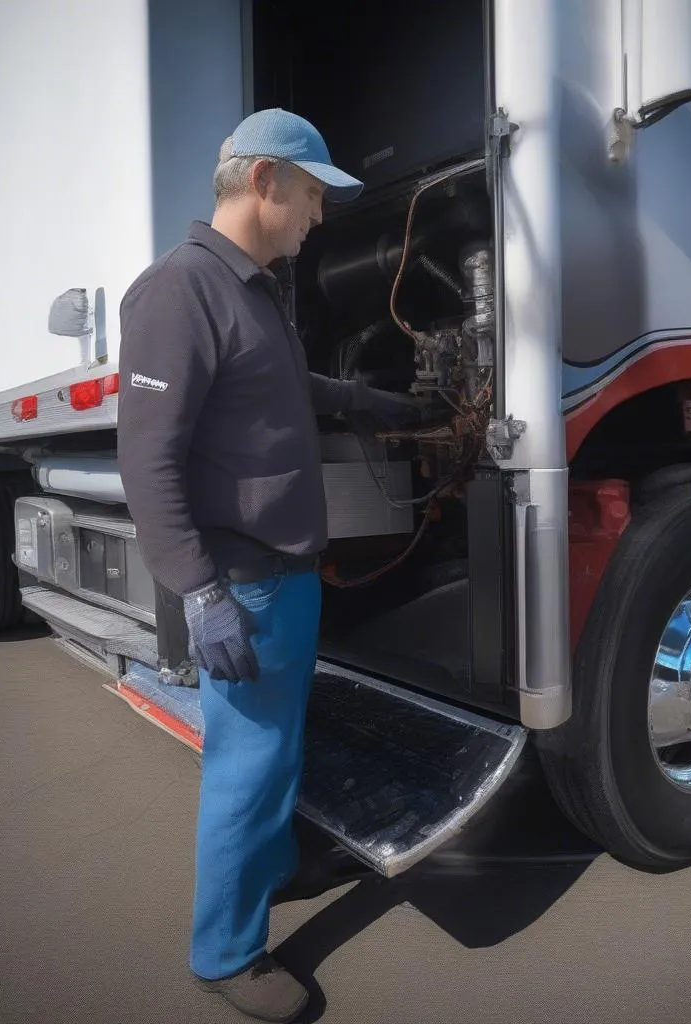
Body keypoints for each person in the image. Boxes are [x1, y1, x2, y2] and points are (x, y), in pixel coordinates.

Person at [116, 108, 421, 1023]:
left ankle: (276, 866)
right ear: (266, 183)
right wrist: (199, 591)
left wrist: (377, 402)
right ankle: (225, 953)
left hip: (284, 575)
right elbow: (149, 460)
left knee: (278, 744)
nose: (319, 218)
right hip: (240, 585)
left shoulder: (252, 291)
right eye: (315, 196)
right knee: (245, 763)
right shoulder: (181, 290)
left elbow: (287, 389)